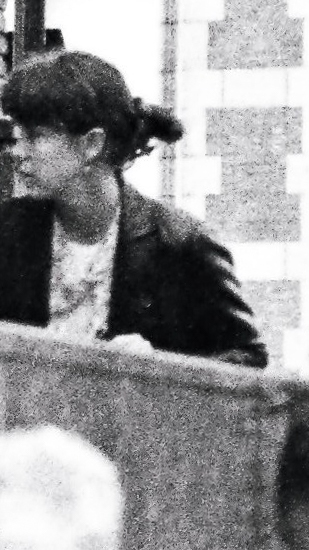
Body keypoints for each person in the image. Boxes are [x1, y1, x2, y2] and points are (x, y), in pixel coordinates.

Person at [0, 48, 266, 365]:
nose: (17, 151)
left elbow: (249, 359)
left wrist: (156, 368)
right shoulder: (7, 232)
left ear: (91, 144)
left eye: (34, 135)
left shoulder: (181, 243)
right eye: (17, 135)